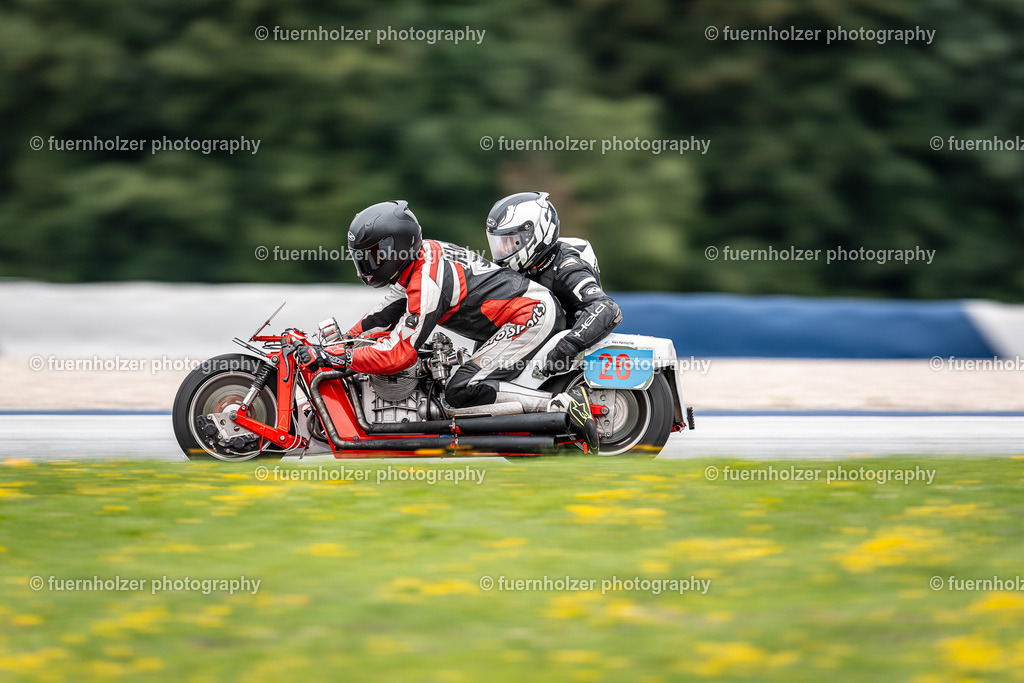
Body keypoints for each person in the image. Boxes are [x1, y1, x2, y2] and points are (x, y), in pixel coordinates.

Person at [295, 200, 599, 451]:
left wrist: (339, 358)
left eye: (374, 255)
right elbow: (379, 318)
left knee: (461, 391)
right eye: (363, 256)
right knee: (455, 385)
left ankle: (562, 405)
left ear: (395, 247)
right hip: (511, 317)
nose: (368, 264)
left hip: (530, 314)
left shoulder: (427, 279)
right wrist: (341, 342)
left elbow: (399, 354)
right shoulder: (417, 260)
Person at [485, 191, 622, 377]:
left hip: (559, 364)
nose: (503, 250)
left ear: (536, 234)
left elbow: (607, 308)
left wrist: (568, 346)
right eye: (500, 242)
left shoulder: (566, 266)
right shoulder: (520, 268)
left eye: (511, 241)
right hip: (527, 344)